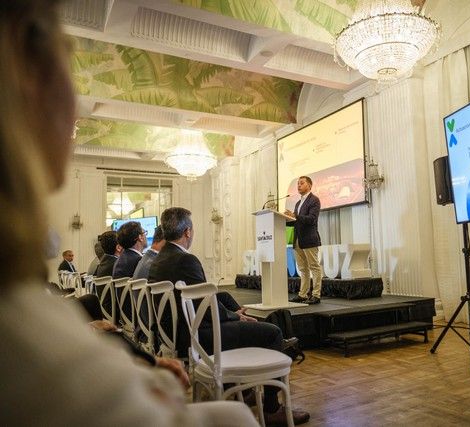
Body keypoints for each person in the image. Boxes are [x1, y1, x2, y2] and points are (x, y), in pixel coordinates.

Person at [0, 2, 257, 424]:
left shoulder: (120, 265)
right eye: (66, 58)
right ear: (32, 82)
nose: (75, 119)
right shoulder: (31, 343)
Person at [148, 207, 310, 426]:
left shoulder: (159, 259)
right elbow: (204, 307)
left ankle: (243, 389)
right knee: (272, 333)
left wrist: (231, 314)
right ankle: (272, 410)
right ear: (187, 232)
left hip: (175, 332)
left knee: (223, 298)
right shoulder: (186, 260)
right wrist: (235, 317)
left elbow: (202, 299)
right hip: (198, 335)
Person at [285, 176, 323, 304]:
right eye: (298, 184)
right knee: (303, 269)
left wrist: (295, 216)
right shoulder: (297, 203)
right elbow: (297, 222)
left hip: (309, 238)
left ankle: (316, 295)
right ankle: (303, 294)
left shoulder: (314, 200)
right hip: (298, 240)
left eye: (302, 183)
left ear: (310, 185)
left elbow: (311, 219)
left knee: (314, 267)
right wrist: (284, 219)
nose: (299, 186)